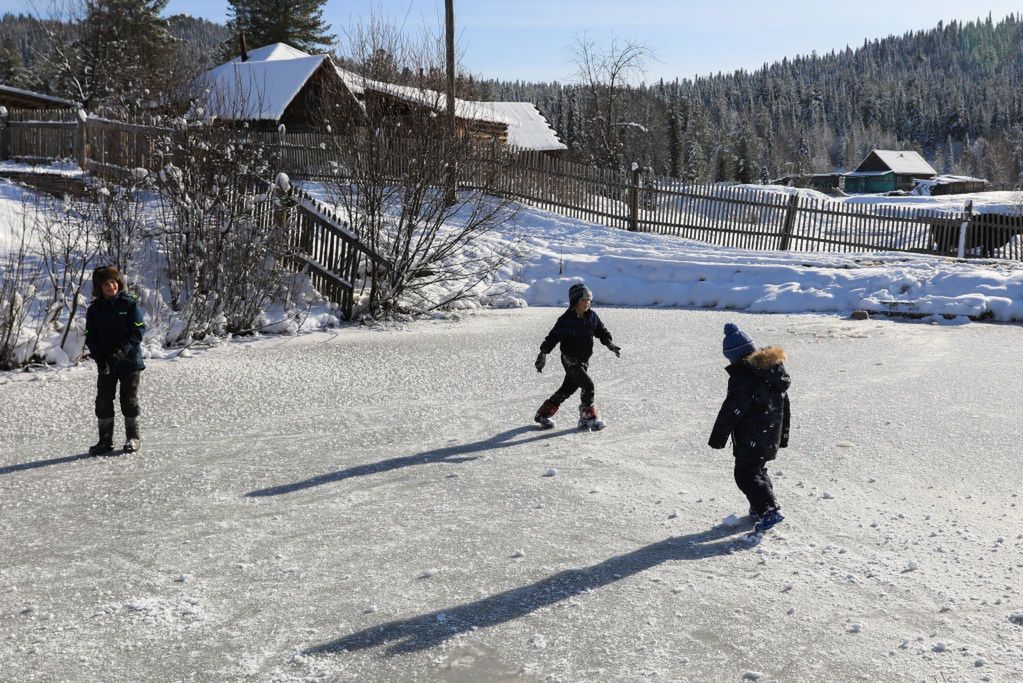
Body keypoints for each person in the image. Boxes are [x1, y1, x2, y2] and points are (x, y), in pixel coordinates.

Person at [708, 323, 791, 534]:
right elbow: (785, 406)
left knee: (745, 475)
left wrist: (718, 437)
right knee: (758, 471)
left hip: (752, 436)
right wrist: (782, 435)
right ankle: (759, 507)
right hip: (770, 433)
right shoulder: (772, 371)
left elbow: (732, 409)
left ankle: (769, 510)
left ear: (733, 357)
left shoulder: (744, 377)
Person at [534, 282, 620, 430]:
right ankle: (589, 417)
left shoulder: (592, 316)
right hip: (570, 359)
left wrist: (609, 344)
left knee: (567, 389)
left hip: (584, 360)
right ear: (575, 300)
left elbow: (602, 331)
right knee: (588, 385)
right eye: (583, 299)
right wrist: (543, 353)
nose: (587, 303)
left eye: (589, 299)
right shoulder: (565, 320)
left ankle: (543, 414)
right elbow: (552, 338)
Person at [85, 266, 146, 455]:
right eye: (106, 284)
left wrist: (120, 352)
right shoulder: (95, 310)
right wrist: (99, 357)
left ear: (118, 283)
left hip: (129, 362)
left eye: (113, 282)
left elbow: (138, 332)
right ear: (99, 288)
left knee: (128, 400)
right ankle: (105, 441)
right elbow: (90, 336)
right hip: (106, 364)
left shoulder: (129, 305)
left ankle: (133, 438)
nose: (111, 286)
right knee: (103, 401)